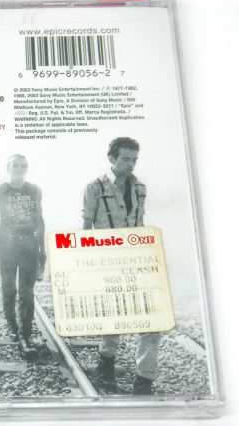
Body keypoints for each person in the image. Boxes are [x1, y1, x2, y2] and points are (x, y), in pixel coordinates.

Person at [82, 137, 159, 395]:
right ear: (112, 158)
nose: (131, 164)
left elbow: (140, 224)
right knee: (112, 318)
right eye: (126, 159)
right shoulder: (94, 187)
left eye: (134, 159)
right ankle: (105, 368)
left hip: (137, 261)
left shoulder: (140, 188)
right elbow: (86, 229)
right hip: (107, 261)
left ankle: (144, 381)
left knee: (151, 320)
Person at [0, 155, 45, 358]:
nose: (19, 168)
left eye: (23, 165)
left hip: (29, 244)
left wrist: (42, 248)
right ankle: (12, 327)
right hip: (6, 244)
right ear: (8, 168)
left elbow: (39, 219)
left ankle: (25, 336)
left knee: (26, 291)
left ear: (27, 168)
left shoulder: (34, 190)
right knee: (8, 288)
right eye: (15, 165)